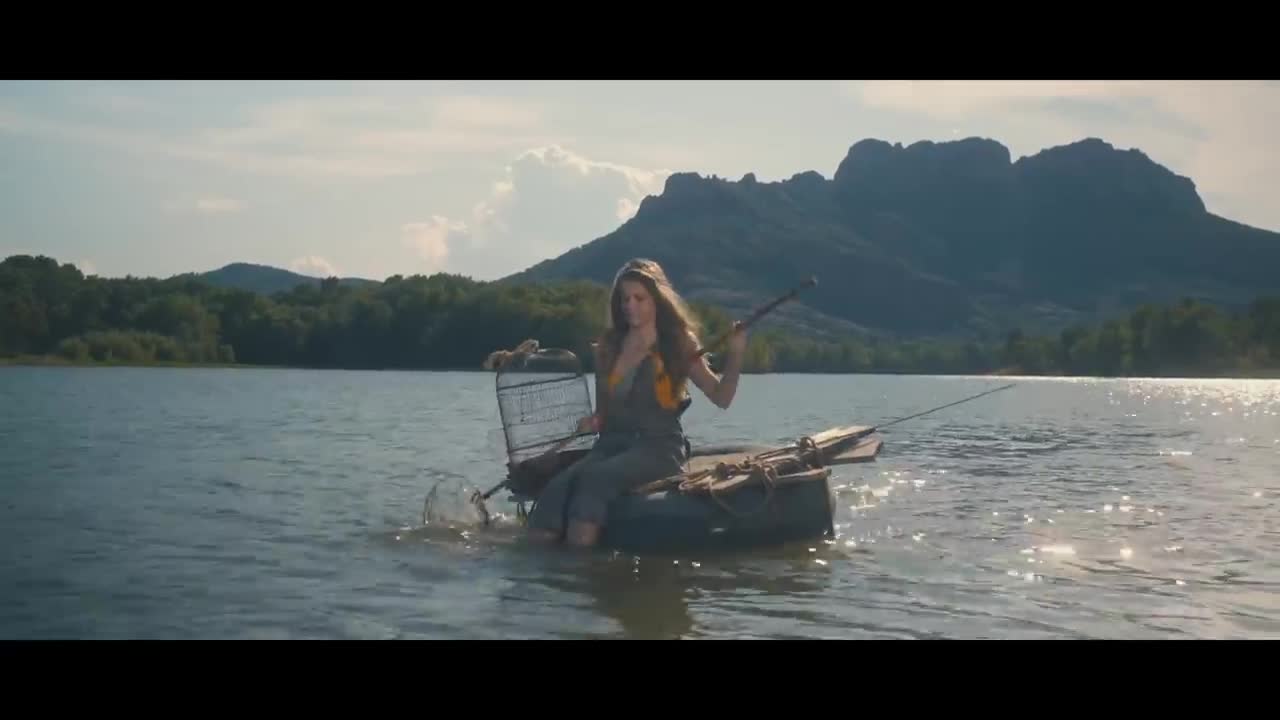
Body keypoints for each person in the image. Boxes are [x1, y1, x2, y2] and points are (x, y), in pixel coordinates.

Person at [525, 258, 748, 548]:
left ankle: (578, 573)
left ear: (657, 299)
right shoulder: (608, 346)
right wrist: (592, 422)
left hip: (658, 448)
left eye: (639, 298)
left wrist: (736, 352)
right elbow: (602, 414)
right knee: (555, 490)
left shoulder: (679, 343)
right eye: (624, 299)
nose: (630, 305)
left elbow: (722, 397)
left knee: (595, 480)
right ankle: (538, 576)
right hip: (609, 446)